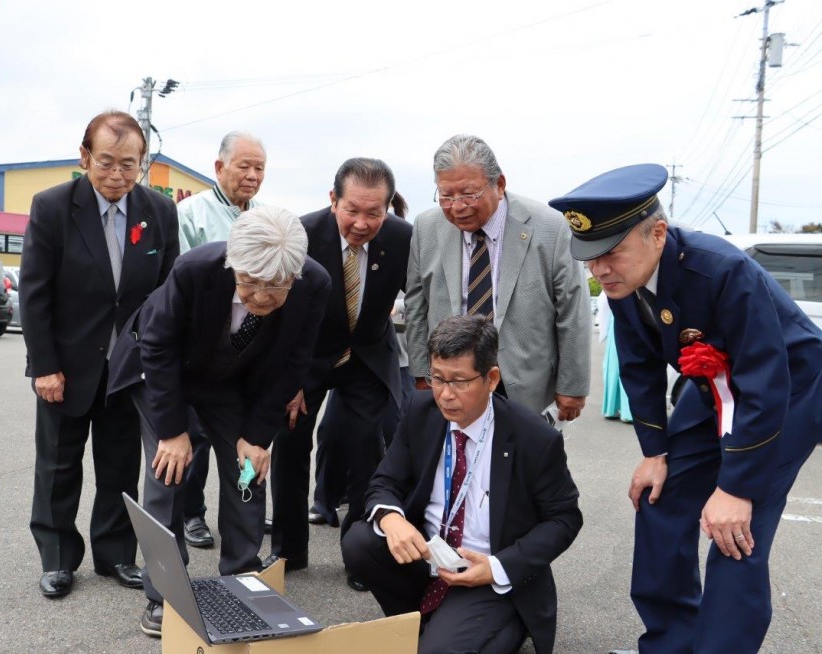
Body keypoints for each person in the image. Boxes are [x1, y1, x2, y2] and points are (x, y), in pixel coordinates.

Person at [549, 163, 822, 654]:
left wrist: (735, 487)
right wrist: (655, 452)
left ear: (658, 233)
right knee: (659, 499)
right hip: (713, 388)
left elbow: (764, 381)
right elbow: (639, 367)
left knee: (735, 530)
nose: (599, 269)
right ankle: (670, 642)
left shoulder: (722, 269)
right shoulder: (623, 283)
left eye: (610, 253)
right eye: (589, 258)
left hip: (790, 390)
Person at [107, 205, 331, 637]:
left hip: (229, 379)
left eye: (275, 289)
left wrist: (256, 436)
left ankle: (242, 575)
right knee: (167, 470)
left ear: (295, 276)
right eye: (250, 286)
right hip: (163, 370)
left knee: (248, 468)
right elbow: (157, 345)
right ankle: (163, 595)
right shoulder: (195, 269)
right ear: (233, 263)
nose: (261, 299)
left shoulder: (314, 284)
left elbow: (293, 362)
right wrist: (173, 432)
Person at [341, 315, 583, 654]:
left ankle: (497, 623)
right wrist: (391, 519)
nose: (445, 395)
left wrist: (496, 568)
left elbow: (565, 518)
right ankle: (424, 620)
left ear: (492, 378)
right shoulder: (420, 410)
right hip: (430, 556)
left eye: (459, 381)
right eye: (437, 378)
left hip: (484, 569)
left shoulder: (533, 438)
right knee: (360, 541)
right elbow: (385, 480)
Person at [20, 110, 180, 599]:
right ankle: (57, 559)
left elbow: (166, 294)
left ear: (142, 163)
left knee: (119, 466)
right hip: (65, 366)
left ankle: (115, 555)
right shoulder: (52, 207)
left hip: (128, 370)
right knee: (58, 465)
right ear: (84, 156)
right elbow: (34, 292)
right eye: (106, 162)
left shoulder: (159, 211)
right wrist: (44, 365)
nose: (116, 176)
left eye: (128, 165)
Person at [265, 158, 412, 592]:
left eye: (374, 213)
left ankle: (359, 551)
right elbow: (278, 317)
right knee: (290, 441)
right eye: (352, 210)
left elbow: (418, 299)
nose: (362, 223)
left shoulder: (404, 238)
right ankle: (289, 548)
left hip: (367, 354)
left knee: (366, 446)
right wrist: (288, 382)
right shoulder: (301, 235)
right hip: (306, 356)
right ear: (333, 200)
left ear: (388, 208)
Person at [405, 134, 591, 421]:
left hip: (523, 383)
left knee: (525, 462)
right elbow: (416, 307)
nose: (457, 206)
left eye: (469, 194)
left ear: (499, 185)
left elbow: (572, 310)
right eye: (446, 195)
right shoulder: (426, 228)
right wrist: (421, 374)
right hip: (452, 382)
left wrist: (572, 385)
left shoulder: (549, 227)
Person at [174, 131, 268, 550]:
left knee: (244, 439)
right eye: (243, 166)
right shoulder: (190, 213)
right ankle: (192, 514)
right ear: (219, 167)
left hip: (248, 351)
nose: (251, 175)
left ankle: (242, 513)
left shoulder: (268, 217)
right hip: (201, 348)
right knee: (195, 439)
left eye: (259, 168)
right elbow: (180, 282)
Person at [597, 291, 633, 422]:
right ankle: (629, 411)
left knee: (614, 366)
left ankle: (612, 408)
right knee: (630, 365)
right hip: (626, 323)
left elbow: (603, 305)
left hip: (616, 323)